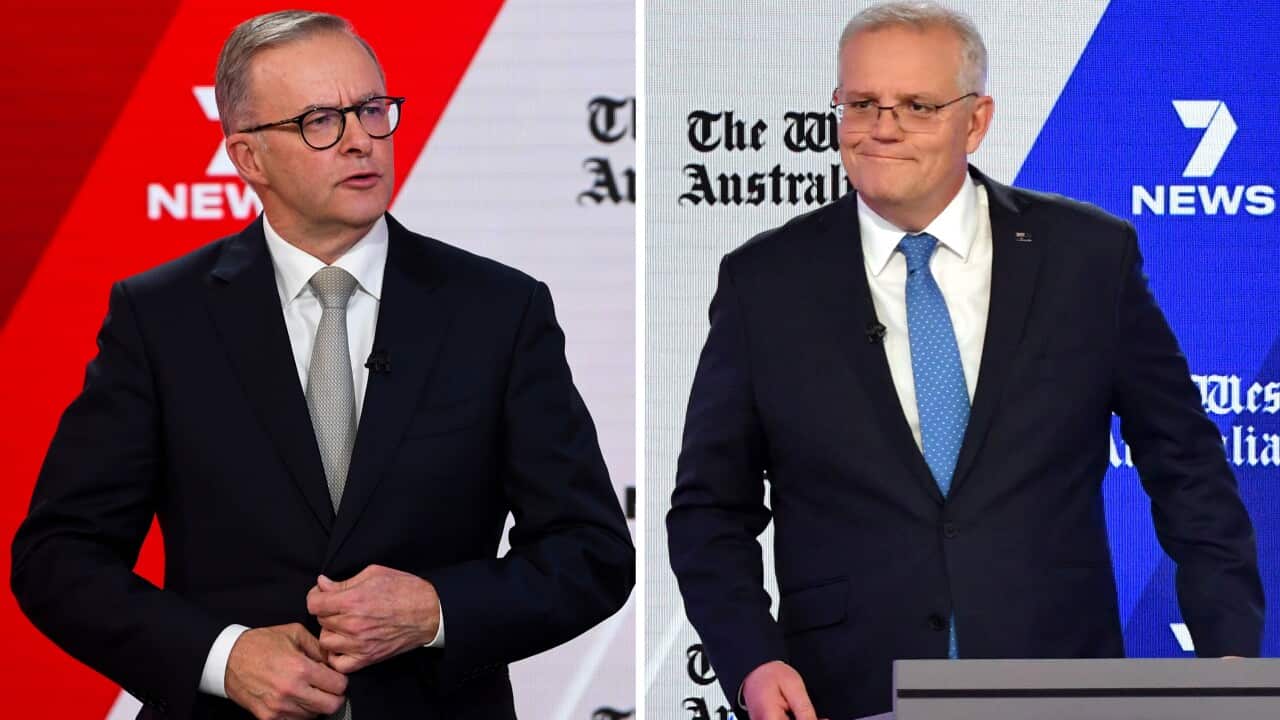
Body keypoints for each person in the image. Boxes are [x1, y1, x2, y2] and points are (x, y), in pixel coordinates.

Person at [11, 10, 633, 720]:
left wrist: (436, 610)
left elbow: (592, 553)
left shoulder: (499, 310)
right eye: (319, 120)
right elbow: (58, 559)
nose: (362, 140)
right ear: (247, 159)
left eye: (372, 109)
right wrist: (222, 656)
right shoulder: (160, 319)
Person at [666, 2, 1262, 719]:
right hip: (846, 691)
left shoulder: (1087, 260)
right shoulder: (765, 282)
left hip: (1060, 686)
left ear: (975, 121)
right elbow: (708, 511)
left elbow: (1187, 466)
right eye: (861, 104)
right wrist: (751, 660)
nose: (882, 128)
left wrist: (1229, 658)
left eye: (916, 106)